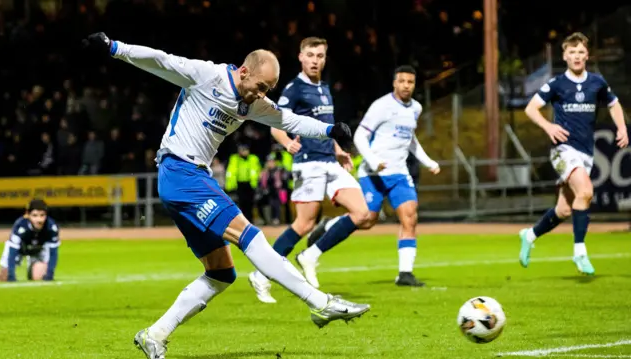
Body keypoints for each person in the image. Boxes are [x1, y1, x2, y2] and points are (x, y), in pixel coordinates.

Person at [81, 32, 370, 359]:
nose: (262, 95)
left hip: (191, 178)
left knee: (221, 273)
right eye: (261, 87)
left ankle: (154, 335)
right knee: (251, 236)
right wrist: (114, 48)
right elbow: (161, 60)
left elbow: (287, 119)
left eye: (268, 91)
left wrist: (329, 130)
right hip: (181, 172)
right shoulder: (208, 75)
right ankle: (321, 303)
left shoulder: (252, 103)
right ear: (244, 72)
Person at [248, 37, 373, 303]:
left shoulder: (325, 88)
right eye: (311, 55)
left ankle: (311, 255)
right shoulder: (294, 89)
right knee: (304, 223)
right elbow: (275, 123)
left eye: (320, 55)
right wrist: (286, 142)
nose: (315, 60)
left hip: (329, 160)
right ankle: (261, 274)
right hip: (308, 162)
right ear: (301, 57)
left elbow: (326, 126)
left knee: (363, 213)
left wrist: (339, 150)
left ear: (325, 59)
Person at [519, 32, 628, 275]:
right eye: (572, 52)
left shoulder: (597, 82)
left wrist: (622, 128)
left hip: (585, 152)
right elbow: (531, 108)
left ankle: (529, 235)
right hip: (563, 150)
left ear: (587, 56)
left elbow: (614, 104)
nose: (577, 56)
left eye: (581, 52)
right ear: (565, 56)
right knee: (586, 191)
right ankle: (579, 252)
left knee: (565, 210)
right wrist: (548, 126)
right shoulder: (557, 84)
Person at [351, 65, 440, 286]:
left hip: (399, 173)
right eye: (402, 81)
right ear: (394, 83)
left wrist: (427, 161)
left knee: (410, 216)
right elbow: (360, 136)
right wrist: (372, 160)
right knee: (367, 219)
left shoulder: (416, 109)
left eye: (410, 82)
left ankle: (405, 274)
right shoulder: (381, 106)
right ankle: (329, 227)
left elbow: (410, 139)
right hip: (374, 173)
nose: (406, 85)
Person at [0, 199, 60, 282]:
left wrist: (50, 274)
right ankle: (3, 273)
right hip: (20, 249)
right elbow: (12, 251)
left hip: (38, 250)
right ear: (28, 215)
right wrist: (11, 275)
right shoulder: (20, 226)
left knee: (38, 276)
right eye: (35, 215)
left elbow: (53, 253)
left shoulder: (51, 227)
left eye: (42, 215)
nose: (39, 220)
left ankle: (32, 270)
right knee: (4, 277)